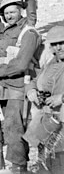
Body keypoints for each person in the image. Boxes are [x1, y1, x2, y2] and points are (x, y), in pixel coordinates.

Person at [0, 0, 42, 174]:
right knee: (10, 127)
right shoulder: (5, 32)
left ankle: (19, 167)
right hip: (3, 87)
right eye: (6, 13)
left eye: (13, 11)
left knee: (15, 128)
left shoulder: (29, 33)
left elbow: (22, 63)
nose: (9, 16)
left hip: (21, 87)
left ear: (20, 11)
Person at [24, 25, 64, 172]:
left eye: (63, 43)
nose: (59, 47)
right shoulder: (51, 62)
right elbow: (37, 80)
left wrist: (62, 98)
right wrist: (32, 90)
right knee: (46, 162)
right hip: (47, 121)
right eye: (55, 44)